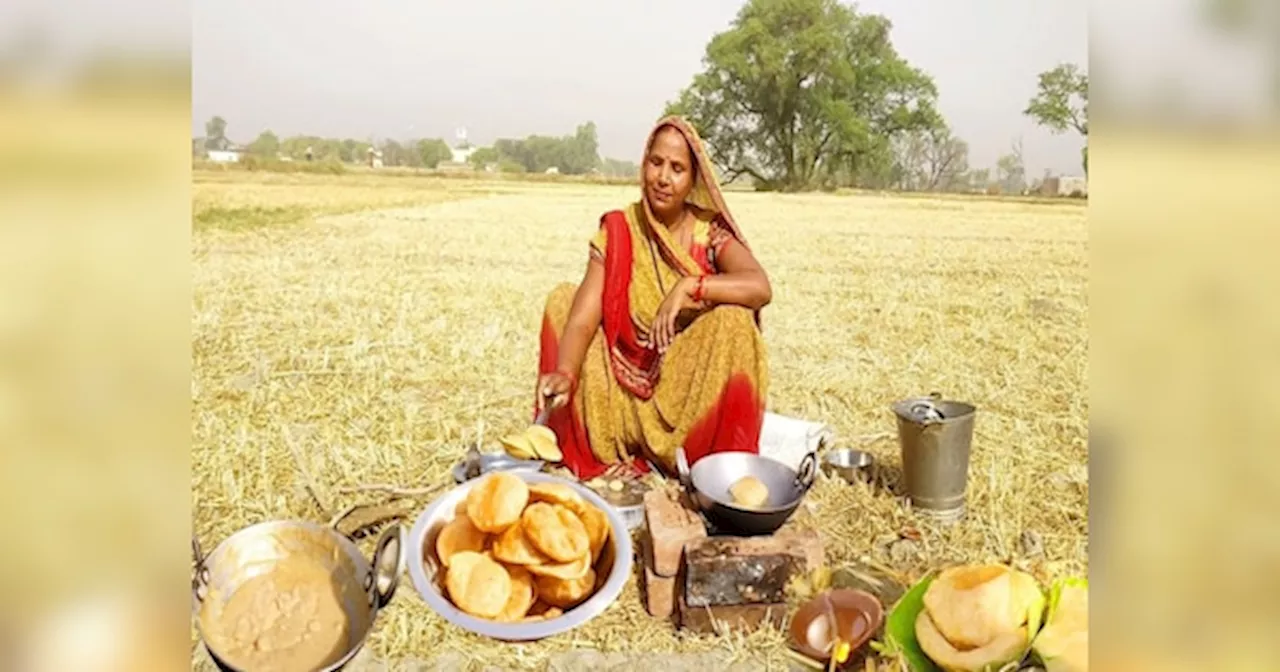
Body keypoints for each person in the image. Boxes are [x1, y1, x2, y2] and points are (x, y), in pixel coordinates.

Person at [534, 116, 773, 480]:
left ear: (693, 180)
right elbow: (583, 318)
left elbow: (759, 287)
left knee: (734, 321)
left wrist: (692, 286)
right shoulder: (620, 230)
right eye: (656, 162)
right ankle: (595, 448)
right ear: (643, 163)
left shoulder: (709, 233)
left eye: (677, 168)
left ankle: (710, 471)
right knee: (562, 300)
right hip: (617, 397)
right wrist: (565, 372)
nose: (663, 177)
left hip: (684, 398)